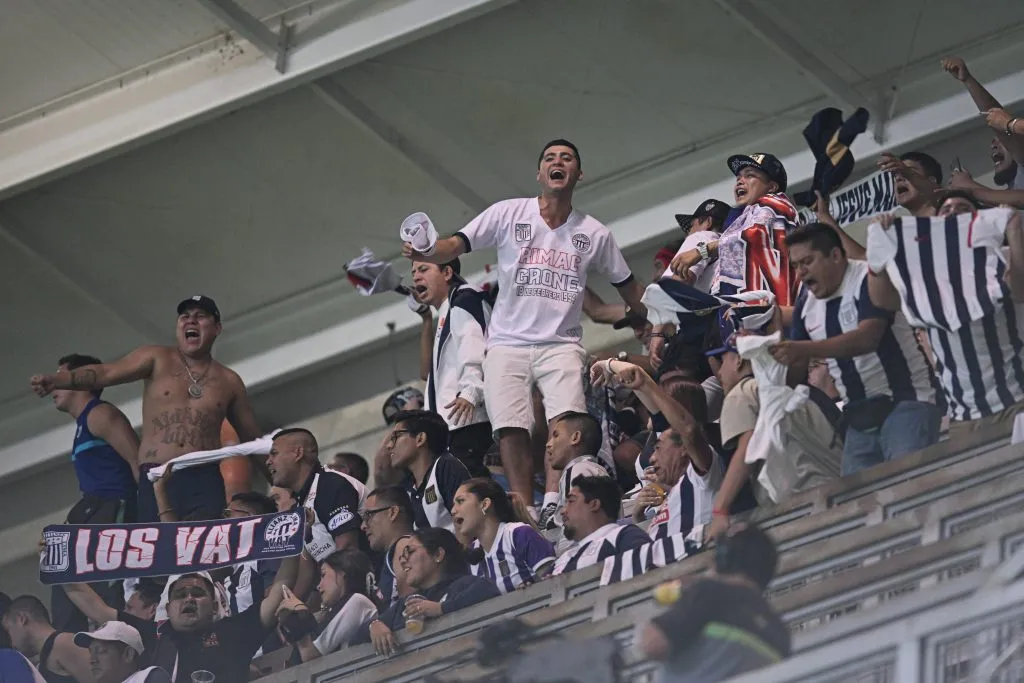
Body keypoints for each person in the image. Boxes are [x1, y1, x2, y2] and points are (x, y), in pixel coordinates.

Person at [402, 139, 647, 509]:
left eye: (567, 158)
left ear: (579, 175)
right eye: (550, 157)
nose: (558, 162)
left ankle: (552, 499)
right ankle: (525, 506)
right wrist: (426, 251)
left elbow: (628, 287)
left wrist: (657, 321)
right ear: (539, 173)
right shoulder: (508, 213)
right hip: (506, 343)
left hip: (561, 343)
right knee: (511, 428)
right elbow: (453, 246)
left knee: (567, 425)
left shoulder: (595, 233)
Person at [29, 296, 262, 523]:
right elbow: (105, 373)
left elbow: (253, 440)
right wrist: (59, 380)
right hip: (156, 474)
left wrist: (285, 488)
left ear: (217, 328)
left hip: (203, 478)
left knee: (205, 556)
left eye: (200, 316)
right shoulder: (156, 357)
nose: (191, 321)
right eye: (184, 316)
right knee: (160, 556)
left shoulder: (230, 381)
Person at [772, 223, 941, 474]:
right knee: (856, 504)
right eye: (796, 265)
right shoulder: (805, 302)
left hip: (907, 402)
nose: (801, 273)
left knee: (909, 488)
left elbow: (867, 338)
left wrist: (802, 349)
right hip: (859, 419)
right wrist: (763, 350)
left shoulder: (868, 279)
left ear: (836, 255)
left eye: (807, 261)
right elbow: (795, 370)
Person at [705, 321, 843, 537]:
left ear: (739, 359)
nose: (719, 371)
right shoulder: (799, 392)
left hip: (803, 507)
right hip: (840, 494)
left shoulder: (743, 392)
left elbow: (748, 449)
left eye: (722, 360)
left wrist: (720, 509)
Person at [47, 352, 141, 632]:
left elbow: (137, 461)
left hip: (113, 507)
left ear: (83, 381)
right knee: (58, 568)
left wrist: (150, 515)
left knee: (107, 586)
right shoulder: (81, 425)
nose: (54, 385)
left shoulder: (101, 414)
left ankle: (119, 637)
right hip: (89, 509)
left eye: (61, 377)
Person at [638, 523, 789, 682]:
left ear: (723, 558)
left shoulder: (709, 593)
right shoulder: (780, 632)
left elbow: (651, 644)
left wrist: (681, 600)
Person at [353, 528, 500, 656]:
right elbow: (356, 638)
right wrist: (374, 625)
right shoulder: (406, 603)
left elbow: (488, 590)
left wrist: (441, 608)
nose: (403, 560)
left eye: (409, 551)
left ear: (437, 554)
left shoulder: (462, 584)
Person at [410, 257, 493, 477]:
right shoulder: (447, 312)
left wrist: (471, 392)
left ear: (447, 273)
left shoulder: (464, 300)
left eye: (424, 269)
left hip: (466, 422)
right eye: (414, 272)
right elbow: (426, 374)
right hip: (451, 426)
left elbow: (475, 346)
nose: (416, 276)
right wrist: (426, 319)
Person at [148, 567, 297, 683]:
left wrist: (294, 544)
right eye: (180, 595)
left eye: (197, 593)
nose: (189, 599)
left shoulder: (233, 632)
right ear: (167, 609)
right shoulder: (148, 641)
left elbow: (279, 591)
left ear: (214, 607)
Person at [266, 429, 368, 582]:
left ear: (298, 454)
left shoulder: (331, 485)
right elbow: (308, 573)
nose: (268, 461)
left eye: (274, 453)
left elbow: (347, 550)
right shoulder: (301, 499)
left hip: (364, 586)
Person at [274, 549, 381, 661]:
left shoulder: (358, 601)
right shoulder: (337, 609)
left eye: (323, 575)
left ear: (342, 573)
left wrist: (300, 613)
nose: (319, 586)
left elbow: (310, 653)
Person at [453, 478, 555, 593]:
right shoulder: (471, 553)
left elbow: (555, 583)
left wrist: (531, 591)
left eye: (460, 501)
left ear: (485, 504)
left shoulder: (519, 534)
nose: (453, 510)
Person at [387, 410, 471, 532]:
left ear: (420, 438)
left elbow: (468, 522)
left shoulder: (446, 467)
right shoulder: (407, 486)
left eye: (396, 437)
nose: (389, 445)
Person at [551, 476, 650, 576]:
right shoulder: (561, 559)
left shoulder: (623, 537)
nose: (563, 511)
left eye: (571, 501)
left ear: (594, 504)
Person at [538, 412, 610, 545]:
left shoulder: (577, 470)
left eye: (556, 435)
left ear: (575, 437)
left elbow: (573, 526)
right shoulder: (596, 469)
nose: (548, 444)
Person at [2, 596, 92, 683]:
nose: (10, 641)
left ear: (21, 619)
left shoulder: (63, 643)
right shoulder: (42, 663)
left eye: (9, 630)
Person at [220, 493, 281, 615]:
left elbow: (274, 596)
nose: (223, 520)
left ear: (250, 518)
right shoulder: (230, 560)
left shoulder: (268, 554)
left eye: (228, 513)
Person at [360, 486, 416, 605]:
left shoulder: (403, 546)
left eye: (368, 516)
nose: (363, 526)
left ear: (393, 512)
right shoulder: (392, 555)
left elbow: (409, 606)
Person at [72, 622, 169, 683]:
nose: (92, 660)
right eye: (91, 652)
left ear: (128, 654)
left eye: (101, 651)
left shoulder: (150, 677)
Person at [877, 151, 941, 217]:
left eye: (906, 172)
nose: (898, 178)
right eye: (895, 175)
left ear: (932, 181)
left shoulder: (950, 213)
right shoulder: (896, 226)